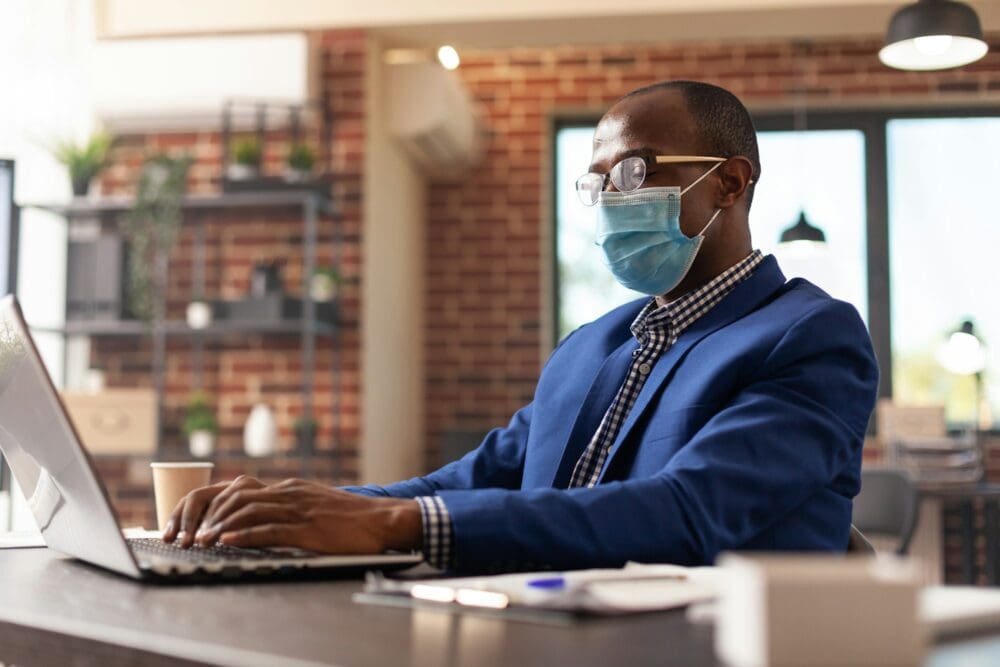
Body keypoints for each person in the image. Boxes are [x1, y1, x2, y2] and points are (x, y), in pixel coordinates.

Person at [162, 80, 878, 573]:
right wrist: (302, 509)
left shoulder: (810, 337)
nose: (607, 202)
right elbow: (478, 477)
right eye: (596, 184)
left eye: (633, 173)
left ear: (729, 182)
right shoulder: (589, 346)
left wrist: (396, 526)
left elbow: (687, 512)